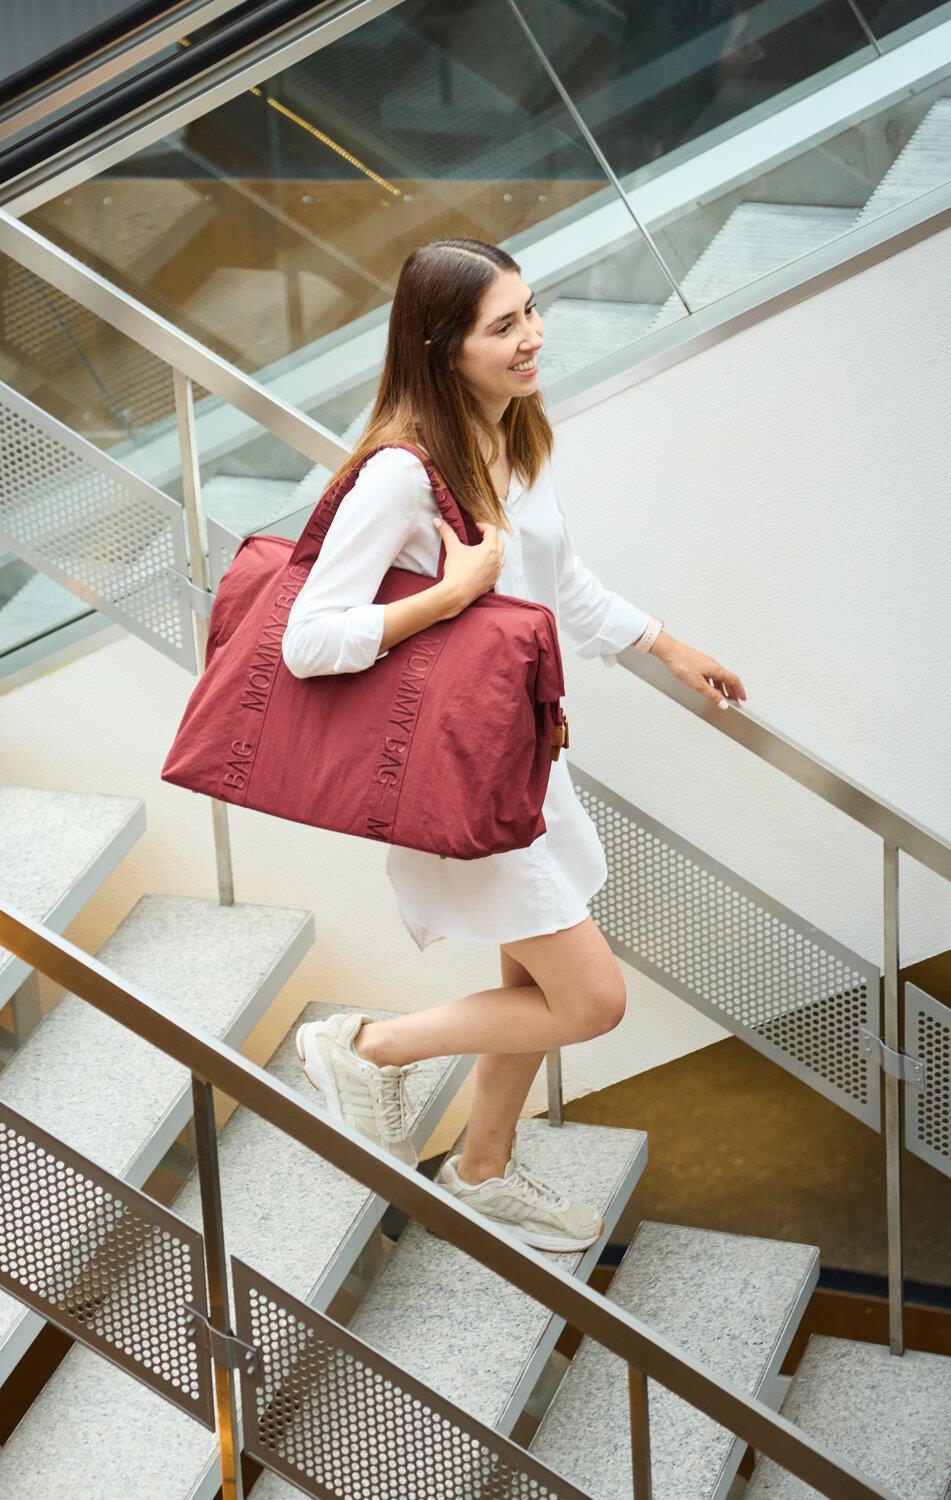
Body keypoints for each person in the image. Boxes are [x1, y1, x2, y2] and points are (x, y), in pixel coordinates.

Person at [282, 237, 746, 1253]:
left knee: (533, 986)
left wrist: (667, 645)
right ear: (442, 345)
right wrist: (449, 596)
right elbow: (308, 641)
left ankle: (484, 1167)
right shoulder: (400, 477)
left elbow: (556, 580)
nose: (533, 336)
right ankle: (362, 1046)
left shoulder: (516, 435)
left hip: (527, 758)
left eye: (531, 310)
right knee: (591, 999)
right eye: (504, 326)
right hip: (462, 783)